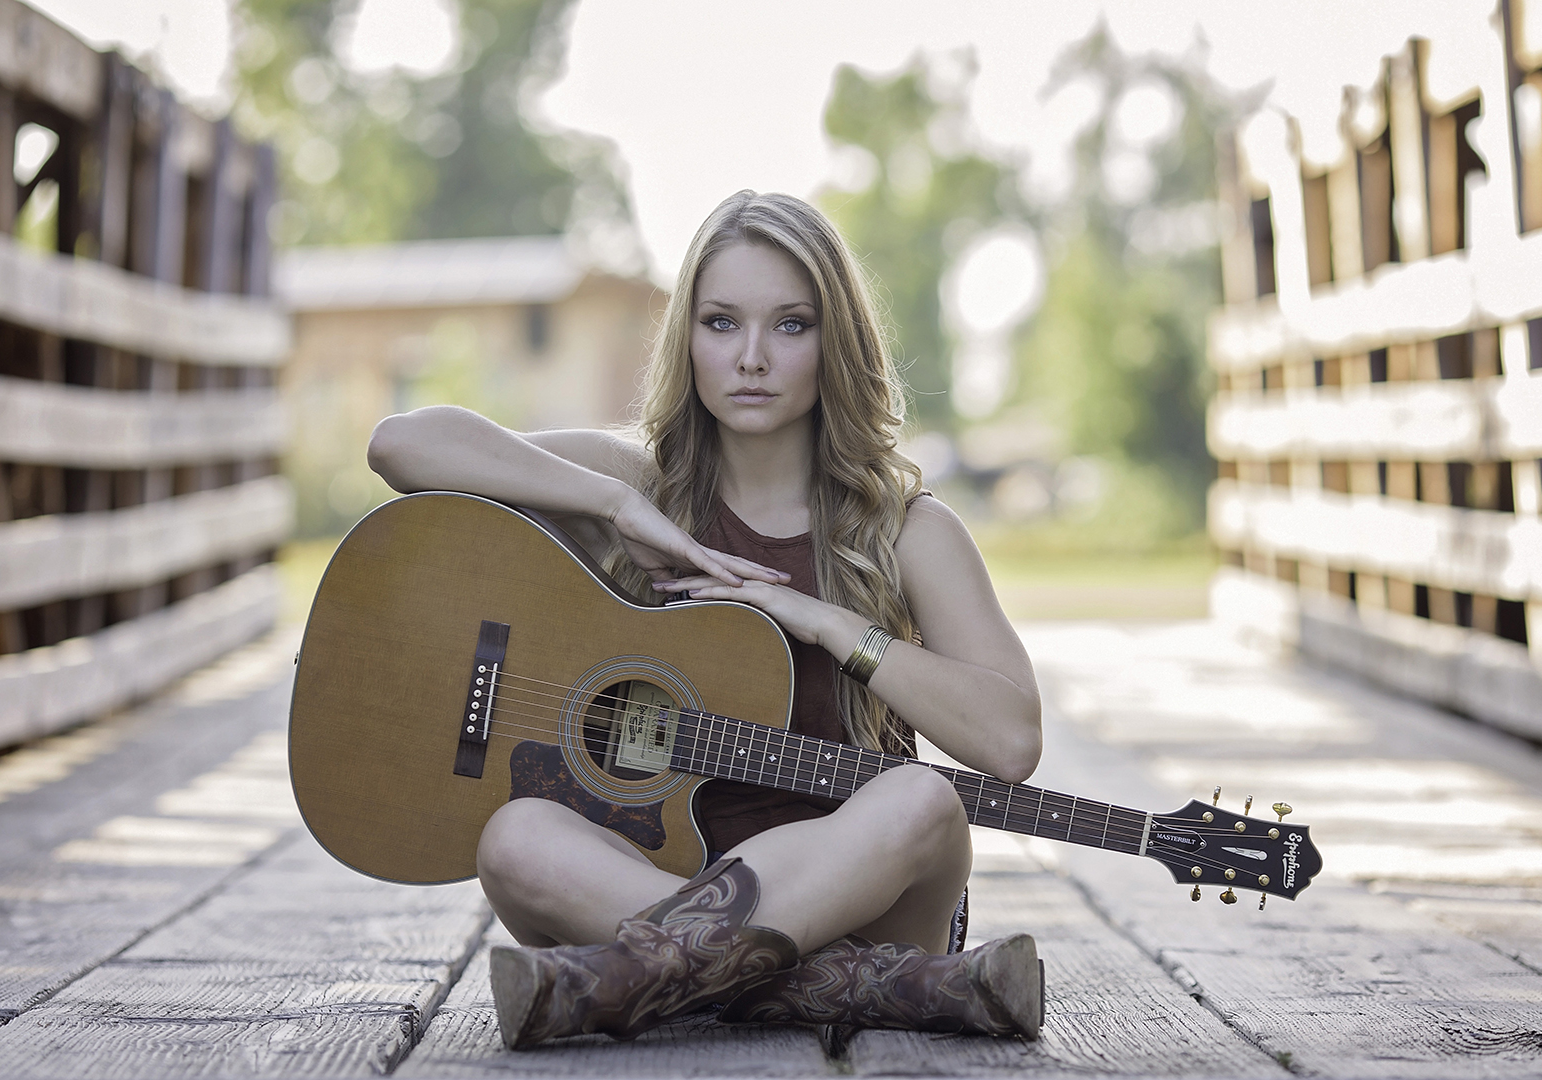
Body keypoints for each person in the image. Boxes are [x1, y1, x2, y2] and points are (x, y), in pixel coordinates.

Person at [366, 190, 1044, 1049]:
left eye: (790, 325)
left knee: (920, 797)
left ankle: (643, 978)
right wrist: (612, 502)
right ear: (686, 336)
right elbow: (401, 445)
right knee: (513, 837)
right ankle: (862, 991)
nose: (752, 357)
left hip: (873, 904)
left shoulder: (907, 528)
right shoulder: (643, 489)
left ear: (835, 340)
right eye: (722, 323)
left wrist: (833, 626)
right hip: (658, 879)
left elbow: (1012, 742)